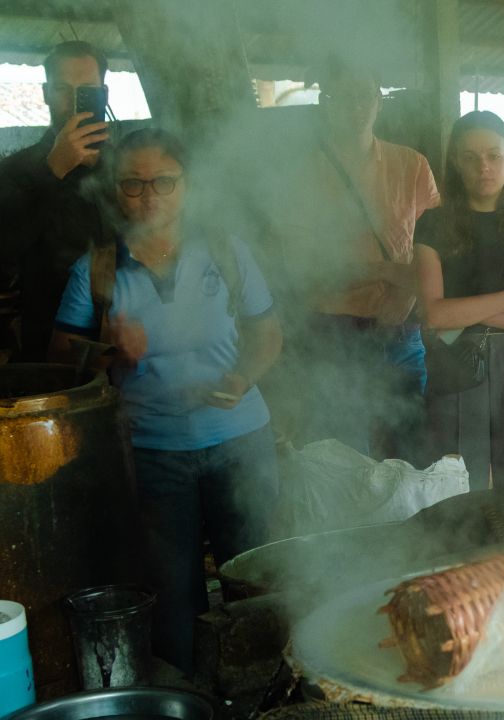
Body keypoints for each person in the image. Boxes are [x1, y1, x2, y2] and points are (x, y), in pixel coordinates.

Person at [48, 128, 283, 673]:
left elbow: (267, 333)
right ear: (115, 189)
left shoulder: (226, 251)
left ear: (188, 186)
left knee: (255, 575)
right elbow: (59, 358)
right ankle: (191, 696)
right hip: (154, 455)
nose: (149, 195)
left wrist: (244, 375)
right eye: (133, 183)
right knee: (172, 594)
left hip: (242, 440)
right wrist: (110, 350)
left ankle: (263, 688)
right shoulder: (97, 269)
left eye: (164, 181)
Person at [269, 55, 439, 463]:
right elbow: (302, 270)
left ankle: (412, 528)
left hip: (402, 331)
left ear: (380, 102)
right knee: (343, 456)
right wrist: (387, 272)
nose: (357, 105)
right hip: (332, 335)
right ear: (326, 102)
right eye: (344, 96)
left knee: (409, 454)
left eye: (366, 95)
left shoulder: (412, 165)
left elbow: (437, 251)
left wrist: (409, 297)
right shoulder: (301, 176)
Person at [414, 110, 504, 494]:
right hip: (455, 361)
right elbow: (433, 314)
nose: (484, 167)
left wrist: (466, 309)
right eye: (471, 157)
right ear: (456, 163)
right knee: (457, 496)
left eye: (494, 155)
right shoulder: (432, 224)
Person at [0, 41, 111, 362]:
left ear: (104, 93)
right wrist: (53, 170)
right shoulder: (15, 169)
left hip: (127, 335)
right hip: (46, 341)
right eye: (63, 88)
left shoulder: (126, 166)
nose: (74, 102)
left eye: (87, 90)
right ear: (46, 93)